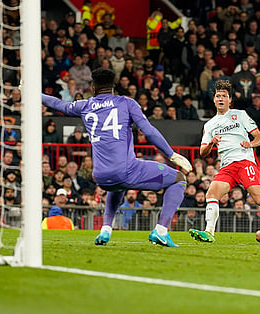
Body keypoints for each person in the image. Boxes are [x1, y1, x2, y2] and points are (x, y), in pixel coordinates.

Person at [41, 68, 192, 247]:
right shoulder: (126, 103)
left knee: (117, 186)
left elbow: (58, 104)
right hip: (126, 170)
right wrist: (171, 154)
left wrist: (33, 93)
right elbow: (148, 131)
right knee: (179, 179)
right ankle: (161, 231)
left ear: (93, 86)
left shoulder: (85, 105)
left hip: (101, 176)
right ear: (113, 86)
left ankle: (106, 229)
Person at [189, 80, 260, 243]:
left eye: (224, 96)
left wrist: (249, 144)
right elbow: (202, 152)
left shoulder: (240, 115)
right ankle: (209, 232)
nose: (221, 98)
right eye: (218, 96)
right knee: (212, 194)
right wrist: (210, 142)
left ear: (230, 100)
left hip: (244, 161)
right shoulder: (209, 125)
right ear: (214, 100)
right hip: (227, 167)